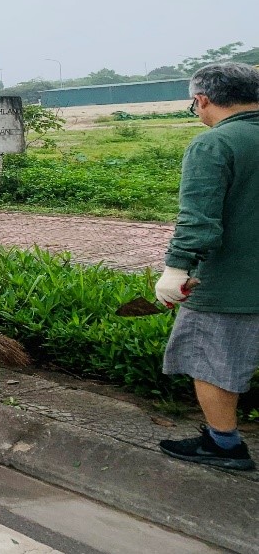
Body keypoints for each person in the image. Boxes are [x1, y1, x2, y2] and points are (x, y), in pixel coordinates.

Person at [154, 62, 259, 472]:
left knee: (212, 360)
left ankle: (224, 445)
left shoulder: (215, 144)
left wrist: (176, 270)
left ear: (202, 100)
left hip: (230, 286)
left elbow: (199, 220)